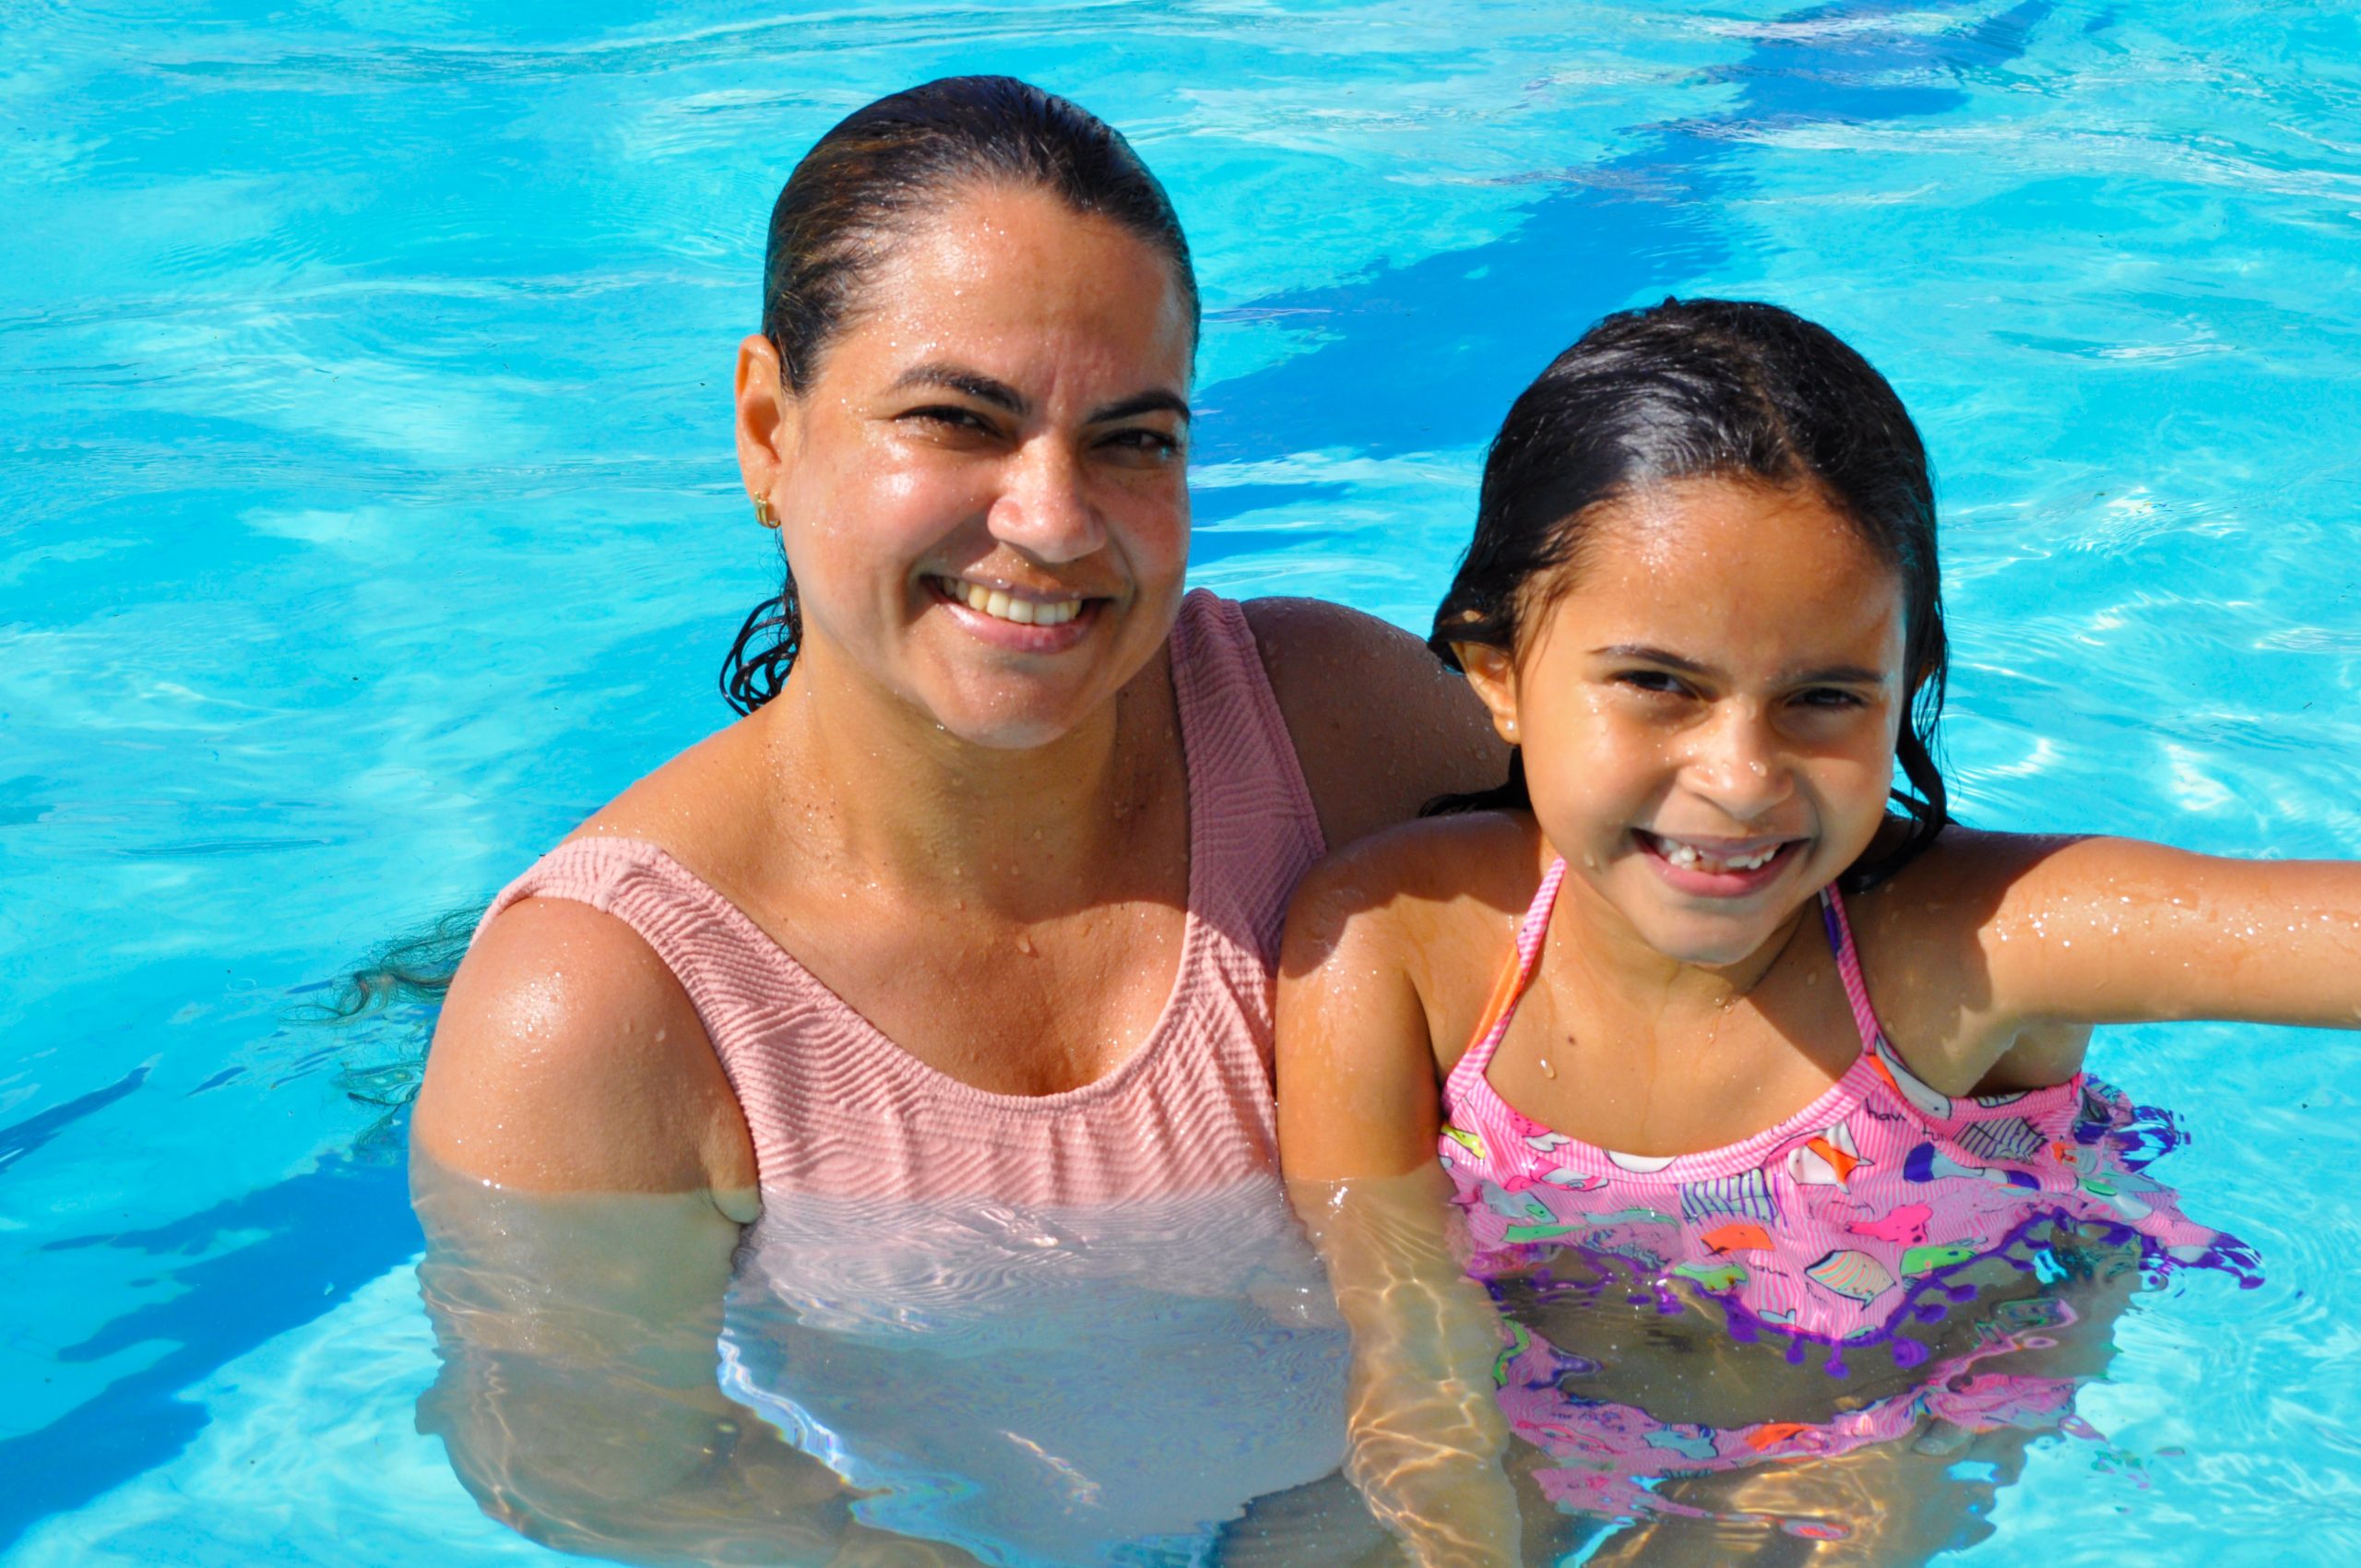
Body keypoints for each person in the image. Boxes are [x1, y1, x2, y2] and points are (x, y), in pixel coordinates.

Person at [409, 77, 1501, 1564]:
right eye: (956, 419)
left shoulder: (1340, 738)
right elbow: (595, 1456)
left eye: (1136, 439)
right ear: (767, 431)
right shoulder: (596, 1010)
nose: (1053, 521)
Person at [1275, 297, 2358, 1564]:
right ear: (1497, 669)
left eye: (1826, 698)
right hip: (1560, 1408)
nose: (1740, 779)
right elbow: (1400, 1328)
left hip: (1885, 1424)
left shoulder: (1968, 946)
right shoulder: (1393, 941)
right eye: (1659, 685)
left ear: (1908, 686)